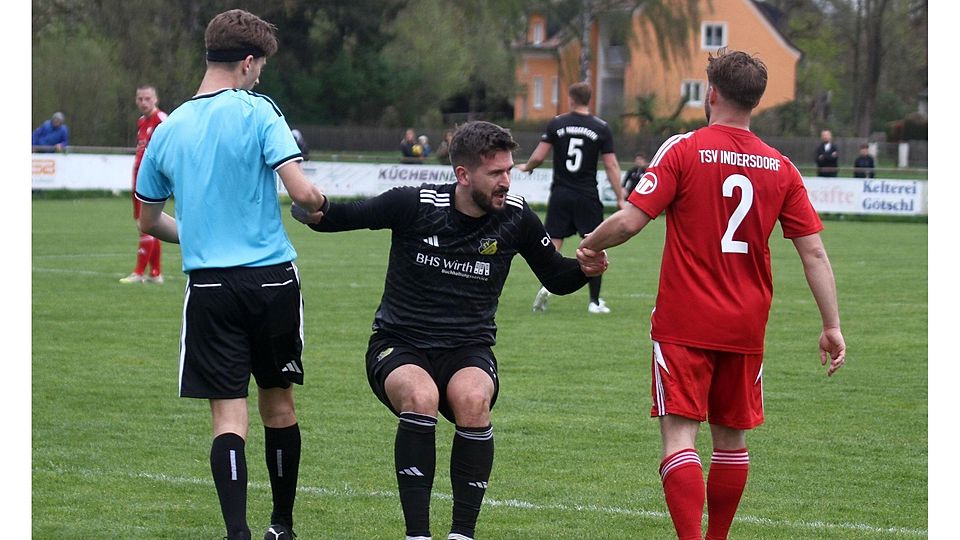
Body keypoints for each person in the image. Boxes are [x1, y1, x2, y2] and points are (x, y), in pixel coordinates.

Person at [291, 121, 607, 540]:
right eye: (496, 174)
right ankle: (418, 534)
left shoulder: (517, 217)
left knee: (474, 399)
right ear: (463, 175)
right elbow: (343, 215)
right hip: (399, 345)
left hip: (468, 349)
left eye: (509, 170)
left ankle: (462, 535)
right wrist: (312, 209)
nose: (506, 182)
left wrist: (584, 270)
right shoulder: (415, 205)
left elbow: (557, 277)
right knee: (421, 397)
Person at [577, 50, 846, 540]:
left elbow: (631, 221)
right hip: (746, 324)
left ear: (711, 94)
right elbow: (814, 255)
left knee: (680, 435)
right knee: (731, 441)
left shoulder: (683, 149)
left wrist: (589, 246)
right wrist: (831, 326)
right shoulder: (781, 166)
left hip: (685, 320)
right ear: (756, 102)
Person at [134, 9, 328, 540]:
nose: (260, 75)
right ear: (247, 62)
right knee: (279, 404)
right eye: (259, 66)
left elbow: (150, 221)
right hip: (271, 281)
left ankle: (237, 533)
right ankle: (282, 527)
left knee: (228, 418)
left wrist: (196, 236)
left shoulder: (167, 130)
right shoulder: (259, 110)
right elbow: (303, 191)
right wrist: (318, 206)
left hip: (211, 288)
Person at [516, 81, 625, 314]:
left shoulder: (557, 123)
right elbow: (612, 165)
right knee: (594, 244)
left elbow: (539, 155)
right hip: (586, 195)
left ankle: (546, 287)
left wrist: (527, 166)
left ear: (571, 99)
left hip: (560, 194)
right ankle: (595, 302)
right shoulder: (601, 127)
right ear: (589, 99)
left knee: (553, 243)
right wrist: (620, 197)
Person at [120, 85, 167, 284]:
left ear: (155, 99)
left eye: (147, 98)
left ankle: (138, 272)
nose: (143, 102)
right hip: (137, 177)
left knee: (145, 224)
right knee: (146, 224)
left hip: (149, 181)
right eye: (140, 99)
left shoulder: (162, 120)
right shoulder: (142, 122)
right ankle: (155, 274)